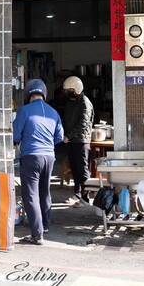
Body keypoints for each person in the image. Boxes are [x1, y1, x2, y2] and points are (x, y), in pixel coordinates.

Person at [13, 79, 64, 245]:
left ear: (28, 95)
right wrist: (47, 144)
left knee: (31, 195)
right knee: (44, 191)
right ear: (44, 94)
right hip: (49, 157)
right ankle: (45, 225)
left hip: (31, 156)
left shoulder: (24, 111)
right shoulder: (53, 112)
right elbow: (59, 137)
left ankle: (37, 234)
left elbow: (15, 135)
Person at [61, 76, 94, 207]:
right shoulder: (71, 102)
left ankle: (85, 198)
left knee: (82, 169)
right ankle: (77, 194)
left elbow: (83, 123)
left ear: (76, 89)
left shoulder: (85, 102)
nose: (67, 93)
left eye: (69, 90)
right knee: (74, 168)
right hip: (71, 140)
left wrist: (69, 135)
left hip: (81, 140)